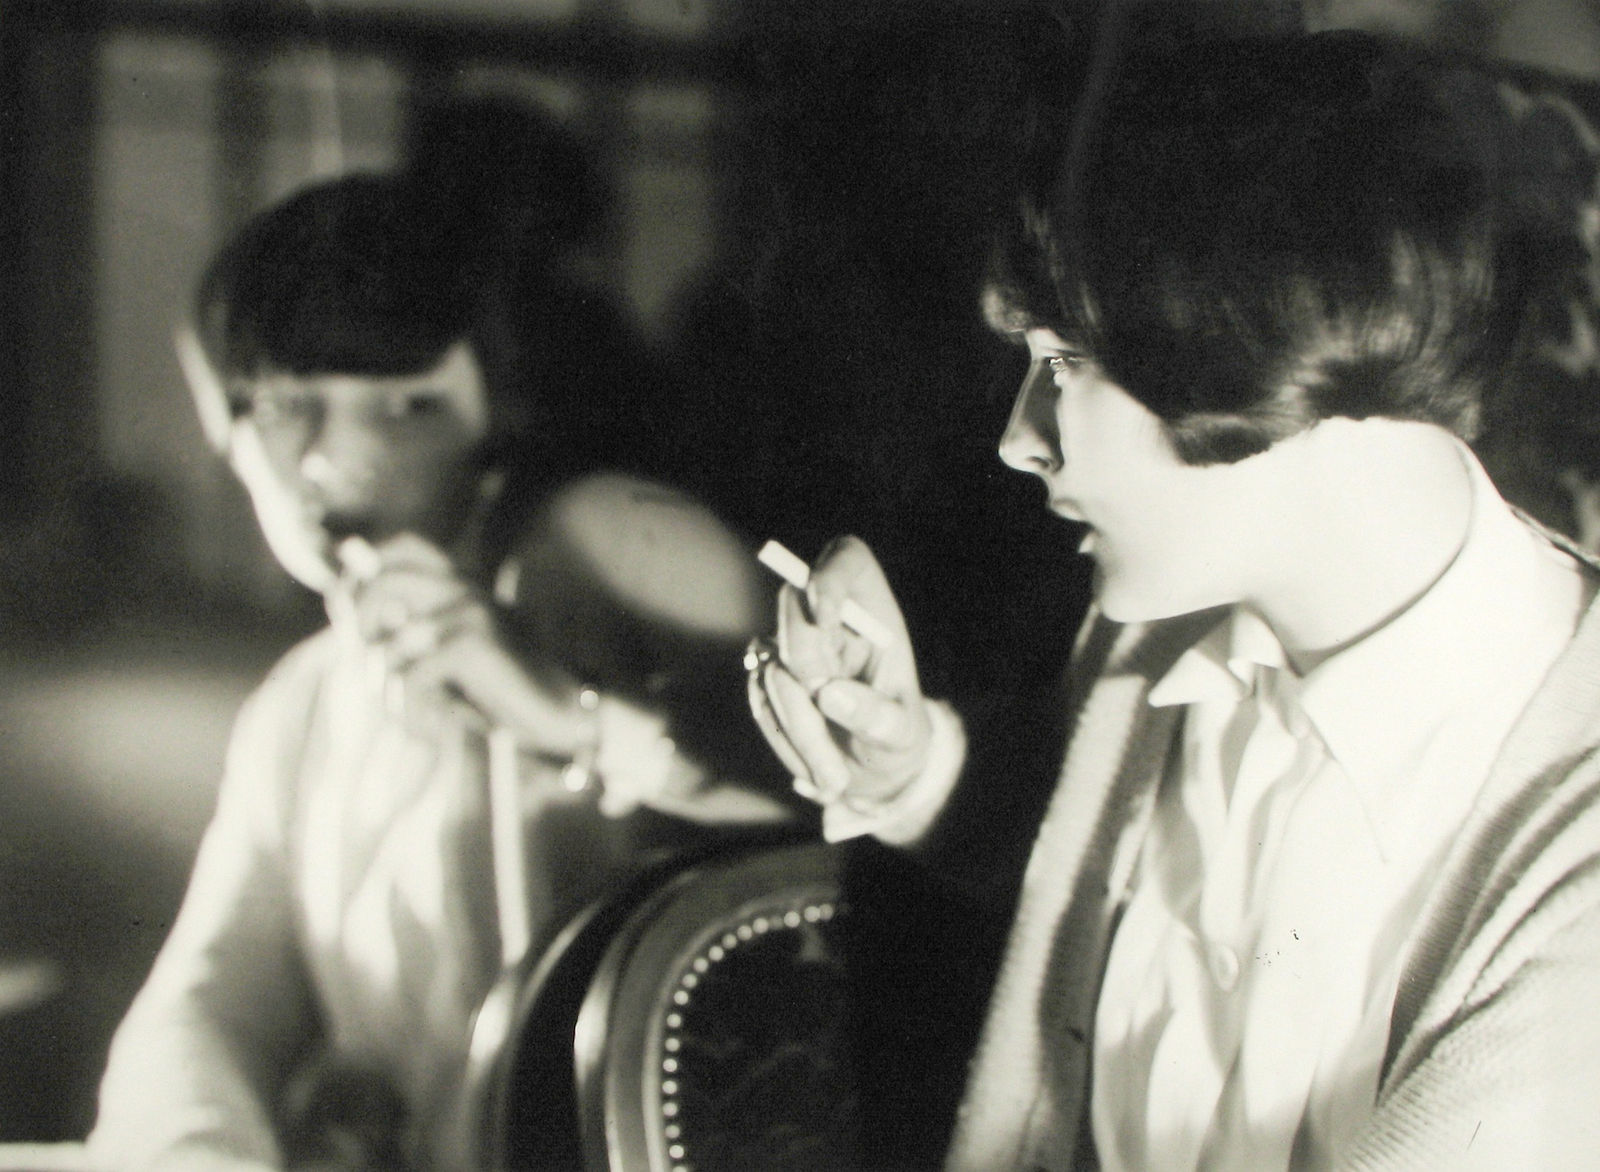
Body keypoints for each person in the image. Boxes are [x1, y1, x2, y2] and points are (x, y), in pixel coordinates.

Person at [748, 29, 1600, 1171]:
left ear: (1262, 334)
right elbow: (1075, 863)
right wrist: (913, 768)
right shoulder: (1150, 645)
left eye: (1061, 365)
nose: (1018, 440)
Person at [88, 122, 800, 1170]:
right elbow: (207, 1004)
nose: (333, 457)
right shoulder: (303, 704)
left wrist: (569, 719)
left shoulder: (602, 548)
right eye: (284, 406)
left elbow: (844, 822)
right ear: (225, 430)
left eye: (408, 403)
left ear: (493, 403)